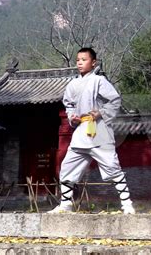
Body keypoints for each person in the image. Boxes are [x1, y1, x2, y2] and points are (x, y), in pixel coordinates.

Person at [48, 47, 135, 214]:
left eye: (84, 59)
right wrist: (72, 116)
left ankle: (127, 204)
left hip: (98, 130)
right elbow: (69, 104)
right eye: (78, 60)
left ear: (93, 62)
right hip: (81, 130)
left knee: (112, 165)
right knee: (67, 166)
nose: (80, 63)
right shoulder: (72, 84)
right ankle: (65, 204)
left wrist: (101, 113)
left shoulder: (99, 81)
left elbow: (114, 100)